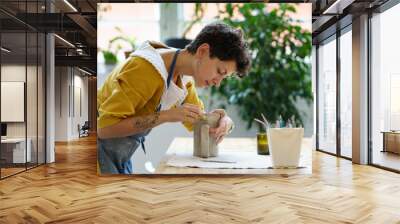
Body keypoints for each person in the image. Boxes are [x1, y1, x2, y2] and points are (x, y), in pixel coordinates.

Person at [97, 22, 251, 174]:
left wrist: (225, 121)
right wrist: (167, 116)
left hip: (119, 156)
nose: (218, 82)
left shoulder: (183, 80)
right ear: (203, 51)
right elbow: (104, 128)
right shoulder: (145, 70)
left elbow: (200, 122)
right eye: (220, 71)